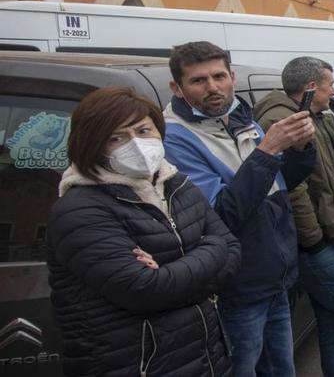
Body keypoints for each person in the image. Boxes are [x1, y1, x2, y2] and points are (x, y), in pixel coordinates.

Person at [48, 86, 241, 376]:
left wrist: (170, 272)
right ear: (93, 145)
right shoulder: (81, 209)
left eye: (143, 131)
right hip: (138, 364)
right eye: (117, 138)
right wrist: (211, 249)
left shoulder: (177, 185)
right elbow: (146, 291)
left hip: (205, 358)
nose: (136, 144)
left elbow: (234, 252)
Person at [161, 41, 315, 377]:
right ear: (177, 87)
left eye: (219, 76)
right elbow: (218, 215)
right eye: (199, 80)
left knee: (282, 369)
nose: (213, 87)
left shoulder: (241, 117)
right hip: (236, 287)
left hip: (273, 275)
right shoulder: (175, 137)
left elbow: (273, 185)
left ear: (231, 77)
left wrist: (300, 150)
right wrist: (268, 150)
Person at [255, 57, 334, 377]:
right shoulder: (284, 122)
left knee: (332, 320)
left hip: (329, 236)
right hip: (316, 245)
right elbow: (292, 190)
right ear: (311, 87)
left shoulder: (314, 116)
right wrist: (314, 241)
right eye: (330, 85)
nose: (333, 92)